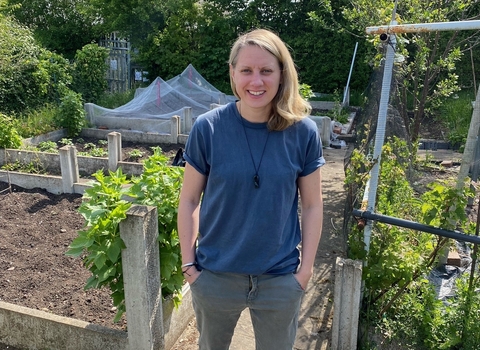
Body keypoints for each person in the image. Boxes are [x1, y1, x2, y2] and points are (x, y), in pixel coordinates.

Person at [178, 28, 325, 350]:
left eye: (266, 71)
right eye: (246, 70)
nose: (256, 82)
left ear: (282, 74)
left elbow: (313, 205)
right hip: (215, 276)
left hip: (280, 280)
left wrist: (305, 272)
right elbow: (189, 199)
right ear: (233, 73)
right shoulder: (209, 128)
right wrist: (190, 266)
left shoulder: (303, 133)